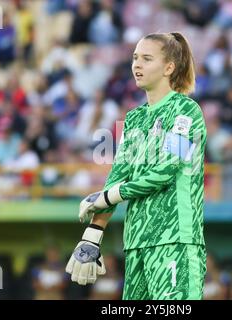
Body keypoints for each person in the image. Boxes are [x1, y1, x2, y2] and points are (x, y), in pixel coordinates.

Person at [65, 32, 207, 300]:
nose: (136, 65)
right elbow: (117, 176)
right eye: (134, 58)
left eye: (146, 59)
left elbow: (166, 171)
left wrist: (107, 196)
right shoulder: (134, 118)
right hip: (136, 243)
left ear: (169, 67)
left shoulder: (186, 112)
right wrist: (92, 235)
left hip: (175, 239)